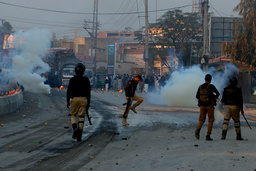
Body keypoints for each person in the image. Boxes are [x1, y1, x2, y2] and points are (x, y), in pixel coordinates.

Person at [66, 63, 91, 142]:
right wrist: (89, 102)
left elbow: (68, 91)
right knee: (81, 117)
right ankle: (80, 133)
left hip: (75, 99)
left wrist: (67, 101)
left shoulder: (72, 80)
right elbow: (88, 92)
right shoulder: (86, 80)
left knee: (73, 115)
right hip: (84, 99)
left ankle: (75, 128)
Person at [195, 74, 220, 141]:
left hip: (202, 106)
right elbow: (218, 93)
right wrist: (213, 97)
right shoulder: (211, 86)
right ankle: (208, 135)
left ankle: (198, 129)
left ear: (204, 79)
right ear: (210, 79)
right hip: (210, 106)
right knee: (210, 120)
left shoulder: (200, 87)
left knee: (201, 119)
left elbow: (197, 96)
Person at [220, 76, 244, 140]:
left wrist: (221, 107)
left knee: (226, 121)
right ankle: (238, 135)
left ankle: (223, 134)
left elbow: (222, 100)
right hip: (235, 107)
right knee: (236, 121)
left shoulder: (225, 89)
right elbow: (240, 100)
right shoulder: (238, 89)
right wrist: (241, 109)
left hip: (226, 106)